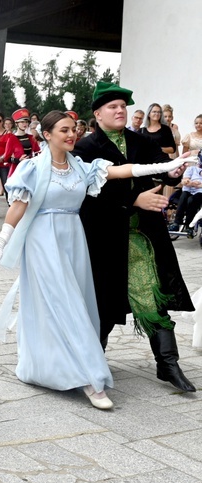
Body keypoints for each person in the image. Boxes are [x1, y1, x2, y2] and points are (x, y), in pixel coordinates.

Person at [0, 110, 193, 410]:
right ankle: (90, 380)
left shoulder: (82, 167)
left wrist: (169, 164)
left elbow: (126, 170)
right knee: (65, 305)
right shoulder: (32, 168)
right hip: (43, 243)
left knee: (78, 304)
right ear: (46, 134)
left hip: (74, 240)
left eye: (74, 129)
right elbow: (18, 207)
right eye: (64, 130)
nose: (71, 135)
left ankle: (47, 367)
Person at [73, 81, 196, 393]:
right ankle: (91, 360)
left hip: (144, 234)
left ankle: (167, 363)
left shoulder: (138, 139)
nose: (120, 111)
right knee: (102, 302)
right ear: (97, 114)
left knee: (151, 294)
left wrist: (176, 169)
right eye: (113, 107)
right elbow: (87, 197)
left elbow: (160, 167)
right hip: (104, 237)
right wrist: (132, 201)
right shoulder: (86, 148)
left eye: (123, 106)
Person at [168, 154, 202, 236]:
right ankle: (176, 223)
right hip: (187, 191)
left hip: (200, 193)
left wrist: (192, 183)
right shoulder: (191, 169)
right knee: (183, 196)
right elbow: (184, 181)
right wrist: (192, 183)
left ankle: (189, 226)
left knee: (191, 200)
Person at [9, 91, 41, 177]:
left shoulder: (31, 137)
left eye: (26, 121)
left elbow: (38, 152)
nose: (25, 124)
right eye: (22, 122)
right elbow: (7, 158)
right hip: (17, 169)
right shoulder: (11, 138)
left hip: (31, 169)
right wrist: (18, 160)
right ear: (16, 124)